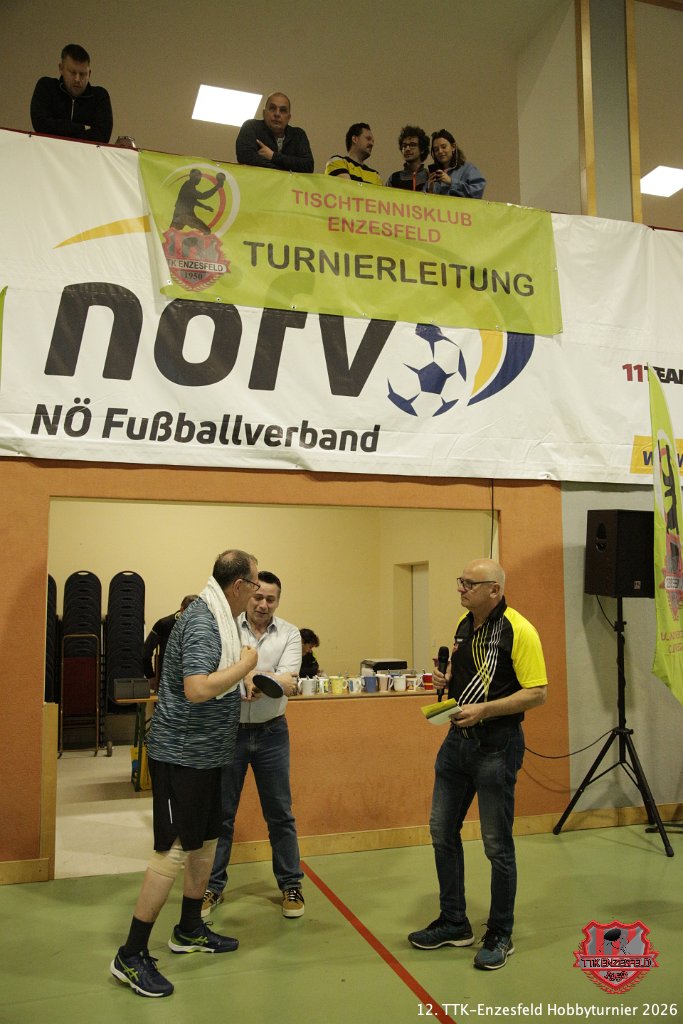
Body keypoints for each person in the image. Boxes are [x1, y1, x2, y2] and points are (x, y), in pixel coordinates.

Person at [110, 550, 260, 998]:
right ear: (238, 586)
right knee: (173, 850)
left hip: (209, 754)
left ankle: (190, 929)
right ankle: (130, 955)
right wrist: (244, 666)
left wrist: (241, 678)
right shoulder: (202, 622)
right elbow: (195, 689)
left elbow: (212, 675)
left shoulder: (223, 620)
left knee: (207, 842)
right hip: (182, 757)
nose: (257, 593)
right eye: (254, 584)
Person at [408, 558, 547, 971]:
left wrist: (485, 710)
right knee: (441, 831)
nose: (461, 588)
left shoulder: (519, 630)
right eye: (461, 581)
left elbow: (537, 693)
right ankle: (454, 921)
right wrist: (445, 680)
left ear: (494, 590)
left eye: (470, 583)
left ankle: (500, 932)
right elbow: (466, 677)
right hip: (456, 744)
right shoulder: (464, 625)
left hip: (496, 746)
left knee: (496, 845)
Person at [202, 571, 304, 921]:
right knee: (221, 814)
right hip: (228, 733)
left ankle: (291, 884)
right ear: (248, 595)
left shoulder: (290, 633)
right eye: (258, 597)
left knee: (280, 813)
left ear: (278, 601)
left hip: (272, 733)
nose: (263, 604)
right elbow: (218, 670)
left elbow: (289, 680)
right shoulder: (227, 626)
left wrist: (252, 676)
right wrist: (249, 675)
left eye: (270, 599)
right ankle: (212, 886)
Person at [30, 44, 113, 143]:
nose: (77, 79)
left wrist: (59, 127)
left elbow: (102, 136)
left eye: (82, 74)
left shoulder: (99, 96)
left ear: (89, 73)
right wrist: (82, 127)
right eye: (73, 73)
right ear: (61, 68)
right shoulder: (47, 87)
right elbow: (41, 125)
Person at [236, 92, 314, 173]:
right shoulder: (251, 127)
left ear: (288, 117)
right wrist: (287, 168)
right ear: (264, 113)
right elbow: (245, 158)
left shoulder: (298, 135)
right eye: (272, 108)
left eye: (283, 110)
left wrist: (272, 156)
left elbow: (308, 166)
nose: (277, 114)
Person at [142, 595, 198, 684]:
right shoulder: (164, 624)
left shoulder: (201, 626)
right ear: (182, 609)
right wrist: (150, 676)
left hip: (193, 679)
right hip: (167, 679)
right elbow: (145, 651)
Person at [426, 129, 486, 199]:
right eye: (436, 149)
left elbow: (477, 192)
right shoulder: (433, 174)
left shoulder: (468, 169)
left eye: (444, 147)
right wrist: (429, 190)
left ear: (453, 147)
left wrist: (451, 182)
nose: (440, 151)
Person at [386, 125, 430, 191]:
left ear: (422, 149)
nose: (407, 149)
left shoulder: (429, 176)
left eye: (412, 145)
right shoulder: (394, 178)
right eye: (404, 146)